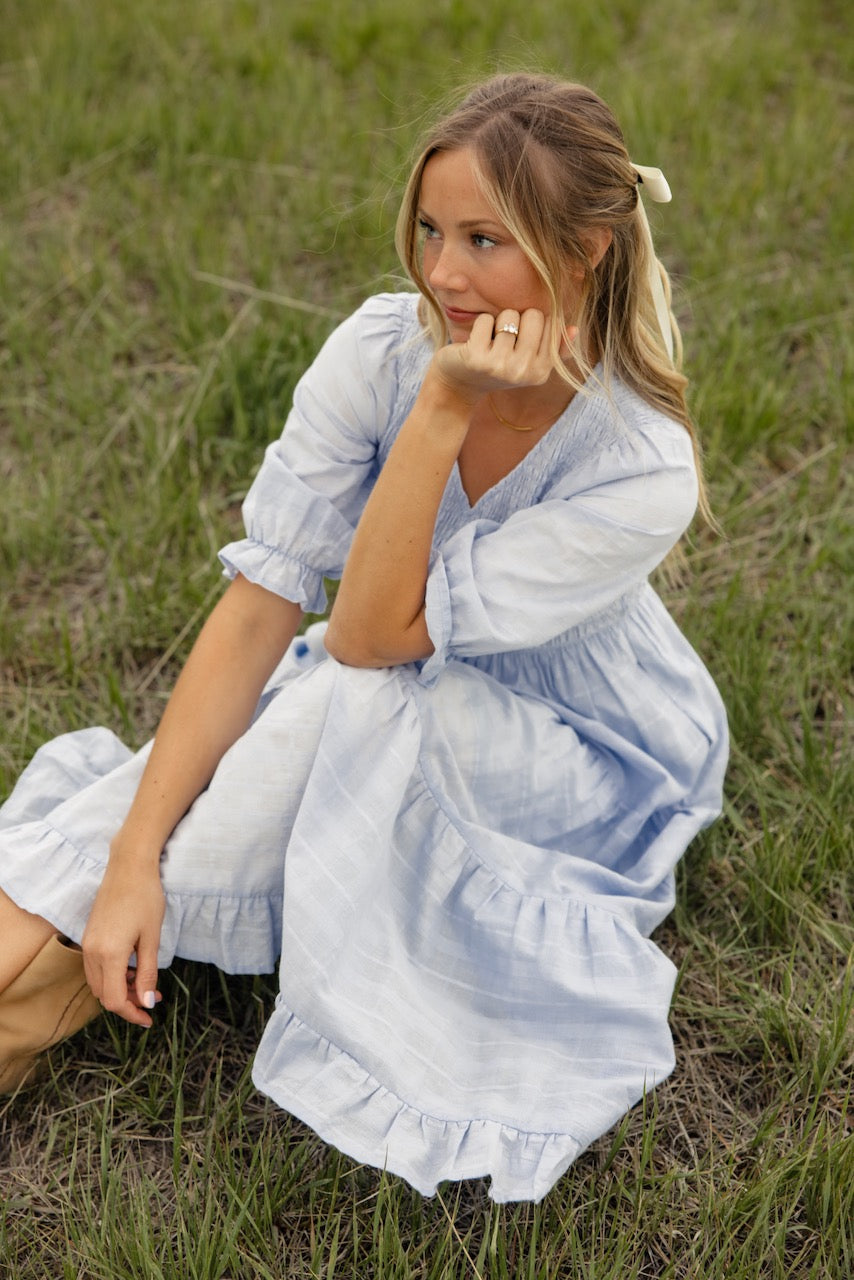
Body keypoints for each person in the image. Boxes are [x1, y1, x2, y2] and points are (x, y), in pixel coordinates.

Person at [0, 73, 727, 1203]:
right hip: (373, 665)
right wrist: (133, 857)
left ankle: (42, 987)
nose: (440, 271)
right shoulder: (382, 346)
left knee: (355, 699)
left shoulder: (638, 466)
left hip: (577, 737)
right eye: (432, 230)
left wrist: (443, 408)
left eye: (484, 239)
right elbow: (261, 605)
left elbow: (373, 637)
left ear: (583, 248)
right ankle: (48, 942)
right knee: (303, 715)